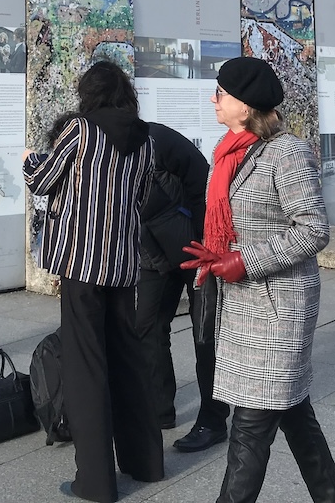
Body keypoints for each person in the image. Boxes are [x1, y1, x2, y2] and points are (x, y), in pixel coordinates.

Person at [181, 57, 335, 503]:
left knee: (250, 431)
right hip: (243, 305)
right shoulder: (229, 149)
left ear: (246, 104)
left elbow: (313, 229)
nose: (213, 99)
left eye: (220, 93)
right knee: (293, 414)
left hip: (278, 309)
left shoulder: (286, 153)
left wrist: (243, 261)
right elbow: (237, 222)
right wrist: (219, 256)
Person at [22, 62, 164, 503]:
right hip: (123, 266)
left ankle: (96, 483)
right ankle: (146, 463)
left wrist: (29, 161)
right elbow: (141, 200)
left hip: (82, 267)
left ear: (88, 93)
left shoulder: (80, 130)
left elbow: (42, 182)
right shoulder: (146, 141)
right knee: (128, 362)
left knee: (86, 369)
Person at [134, 122, 230, 451]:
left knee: (205, 332)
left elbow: (202, 179)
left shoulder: (157, 139)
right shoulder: (100, 148)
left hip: (196, 246)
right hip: (154, 255)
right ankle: (158, 409)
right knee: (146, 325)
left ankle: (214, 418)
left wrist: (206, 240)